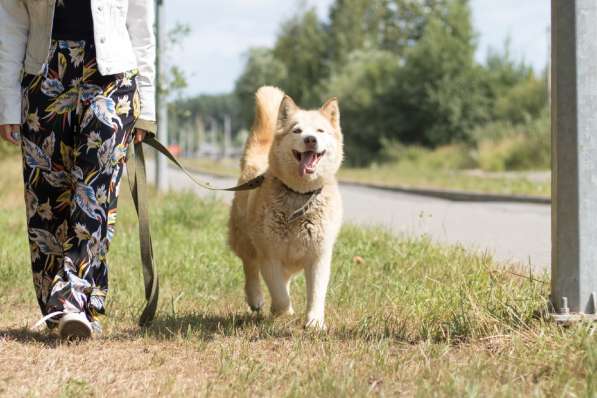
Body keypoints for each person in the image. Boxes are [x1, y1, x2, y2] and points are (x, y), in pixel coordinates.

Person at [0, 0, 156, 339]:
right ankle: (61, 309)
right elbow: (11, 23)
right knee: (48, 197)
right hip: (43, 75)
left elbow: (141, 26)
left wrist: (148, 106)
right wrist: (7, 105)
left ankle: (75, 296)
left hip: (112, 79)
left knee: (94, 193)